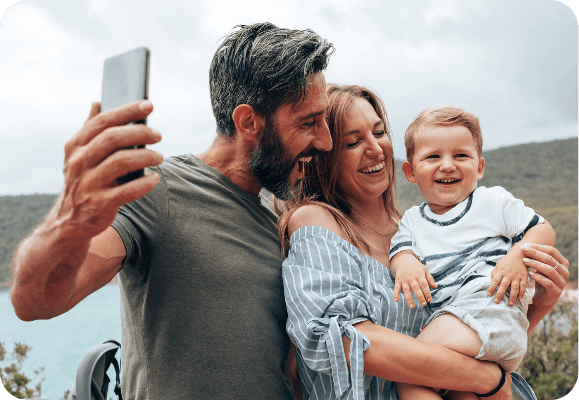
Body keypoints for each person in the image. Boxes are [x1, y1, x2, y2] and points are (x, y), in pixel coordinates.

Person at [10, 22, 334, 399]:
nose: (325, 140)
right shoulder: (155, 193)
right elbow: (35, 301)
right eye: (309, 122)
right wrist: (70, 218)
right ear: (248, 122)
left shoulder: (281, 213)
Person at [278, 84, 569, 400]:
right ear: (324, 156)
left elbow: (481, 336)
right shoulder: (316, 220)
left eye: (379, 133)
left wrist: (538, 305)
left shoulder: (418, 233)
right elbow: (333, 340)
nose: (376, 149)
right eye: (353, 142)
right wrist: (485, 380)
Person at [389, 106, 556, 400]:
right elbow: (399, 251)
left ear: (479, 167)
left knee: (410, 375)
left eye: (460, 155)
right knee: (460, 394)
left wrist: (517, 254)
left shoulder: (491, 201)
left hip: (488, 309)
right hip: (461, 325)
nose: (448, 165)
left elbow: (543, 229)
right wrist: (405, 263)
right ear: (410, 171)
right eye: (433, 156)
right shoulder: (413, 220)